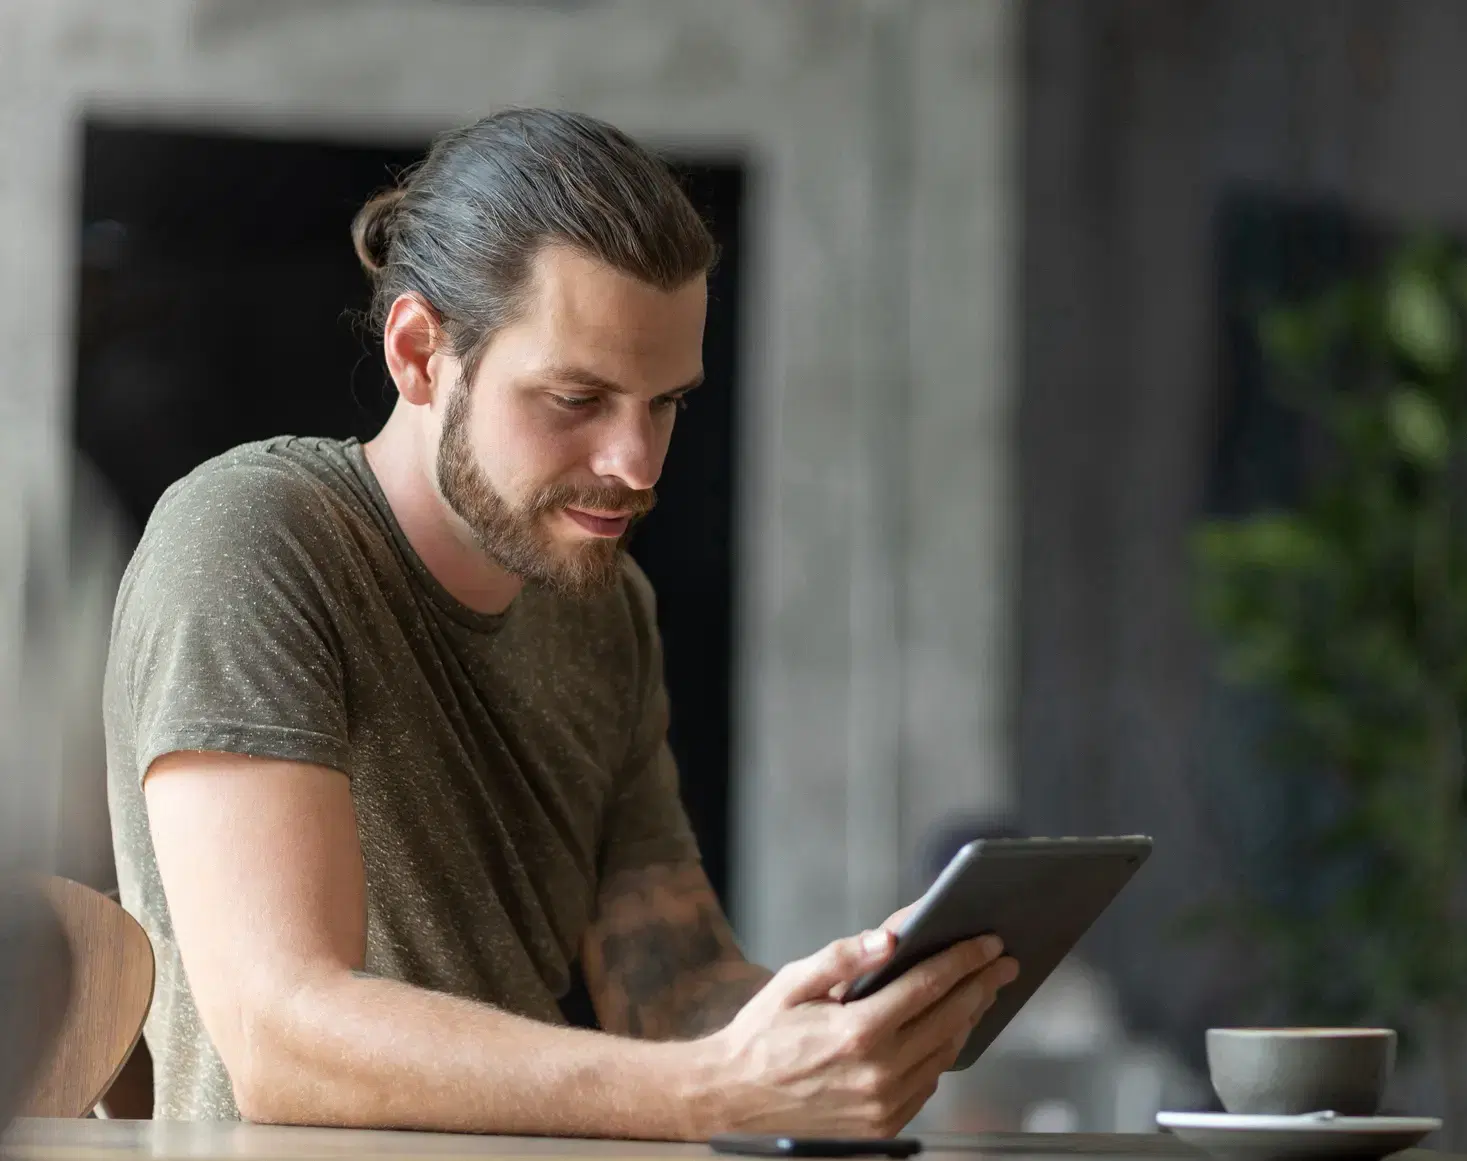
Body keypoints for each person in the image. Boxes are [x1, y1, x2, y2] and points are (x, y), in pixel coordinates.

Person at [104, 109, 1019, 1136]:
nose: (636, 463)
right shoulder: (253, 539)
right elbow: (281, 1044)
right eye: (576, 398)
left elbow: (671, 993)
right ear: (418, 355)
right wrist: (722, 1089)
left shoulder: (602, 602)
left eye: (665, 402)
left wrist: (843, 1018)